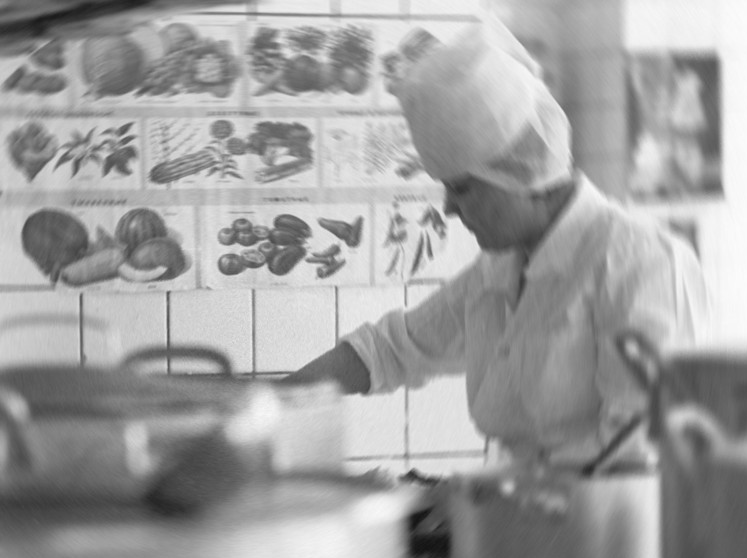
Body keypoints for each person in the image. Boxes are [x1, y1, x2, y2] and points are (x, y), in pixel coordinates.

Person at [284, 15, 711, 468]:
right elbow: (390, 349)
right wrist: (266, 403)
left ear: (519, 174)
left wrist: (495, 496)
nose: (449, 208)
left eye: (462, 188)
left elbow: (638, 448)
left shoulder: (640, 264)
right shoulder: (501, 269)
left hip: (603, 510)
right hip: (528, 502)